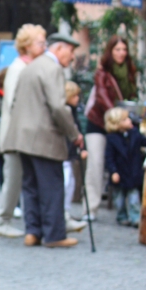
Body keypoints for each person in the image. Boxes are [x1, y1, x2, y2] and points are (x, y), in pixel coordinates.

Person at [2, 33, 84, 248]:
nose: (72, 56)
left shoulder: (32, 66)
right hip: (43, 136)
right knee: (51, 187)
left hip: (23, 136)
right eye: (71, 51)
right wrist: (74, 133)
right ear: (59, 49)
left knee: (30, 186)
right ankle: (54, 234)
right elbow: (58, 106)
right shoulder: (52, 68)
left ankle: (33, 232)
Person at [0, 24, 47, 237]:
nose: (44, 47)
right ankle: (1, 219)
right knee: (13, 178)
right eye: (40, 43)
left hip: (21, 133)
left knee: (20, 177)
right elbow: (14, 103)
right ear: (27, 46)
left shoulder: (27, 66)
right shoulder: (18, 68)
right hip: (15, 134)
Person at [84, 36, 136, 220]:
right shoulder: (102, 73)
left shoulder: (129, 72)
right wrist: (115, 116)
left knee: (124, 160)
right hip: (99, 122)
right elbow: (102, 97)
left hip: (118, 125)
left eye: (124, 49)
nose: (121, 53)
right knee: (96, 164)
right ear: (110, 51)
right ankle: (91, 209)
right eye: (117, 50)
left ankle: (124, 208)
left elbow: (131, 96)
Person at [104, 107, 146, 227]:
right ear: (117, 123)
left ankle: (135, 218)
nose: (129, 121)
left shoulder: (135, 134)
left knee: (134, 198)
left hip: (133, 172)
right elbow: (109, 157)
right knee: (119, 199)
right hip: (120, 172)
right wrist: (113, 171)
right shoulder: (112, 138)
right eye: (125, 119)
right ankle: (122, 216)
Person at [64, 82, 86, 233]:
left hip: (70, 152)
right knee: (66, 182)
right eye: (75, 95)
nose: (77, 98)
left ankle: (65, 213)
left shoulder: (73, 111)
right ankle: (62, 215)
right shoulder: (66, 111)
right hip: (64, 152)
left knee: (70, 182)